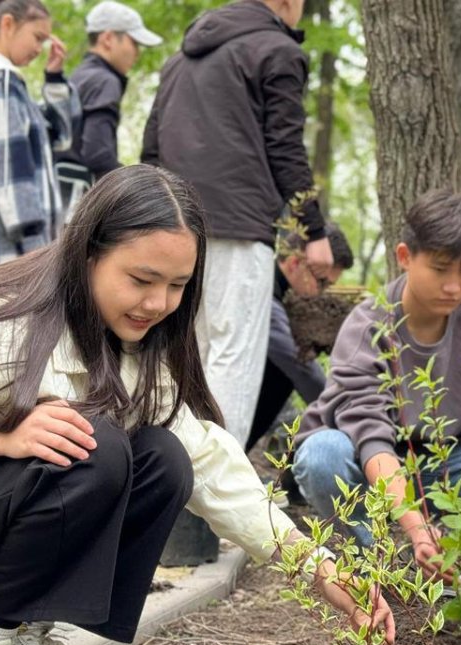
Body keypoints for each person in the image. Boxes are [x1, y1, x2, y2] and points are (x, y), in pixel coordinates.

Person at [0, 165, 394, 645]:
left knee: (164, 458)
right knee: (97, 449)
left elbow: (214, 467)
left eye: (177, 286)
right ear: (89, 252)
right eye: (141, 279)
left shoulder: (135, 353)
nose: (157, 303)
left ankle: (14, 632)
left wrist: (317, 567)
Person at [293, 190, 461, 579]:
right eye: (440, 269)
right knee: (321, 455)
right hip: (364, 459)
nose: (454, 287)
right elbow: (372, 439)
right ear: (405, 257)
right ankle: (377, 564)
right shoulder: (369, 326)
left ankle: (448, 563)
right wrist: (413, 524)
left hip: (446, 460)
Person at [142, 0, 333, 447]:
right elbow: (286, 148)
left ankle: (180, 484)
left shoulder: (178, 62)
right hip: (239, 228)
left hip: (173, 229)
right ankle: (212, 495)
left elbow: (151, 149)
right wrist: (315, 230)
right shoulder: (277, 50)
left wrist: (150, 221)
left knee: (185, 355)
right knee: (233, 357)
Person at [0, 0, 80, 272]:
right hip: (16, 258)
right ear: (8, 24)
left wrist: (55, 76)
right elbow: (11, 175)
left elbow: (58, 139)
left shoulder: (2, 84)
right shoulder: (2, 83)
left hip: (0, 256)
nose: (39, 49)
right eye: (37, 38)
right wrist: (38, 256)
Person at [246, 223, 355, 453]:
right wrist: (344, 415)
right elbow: (299, 364)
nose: (321, 292)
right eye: (322, 282)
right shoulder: (264, 291)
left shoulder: (279, 292)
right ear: (295, 263)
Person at [54, 1, 162, 218]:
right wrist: (133, 192)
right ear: (108, 39)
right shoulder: (105, 80)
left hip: (57, 200)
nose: (137, 53)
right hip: (77, 207)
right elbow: (98, 153)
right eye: (134, 43)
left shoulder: (78, 76)